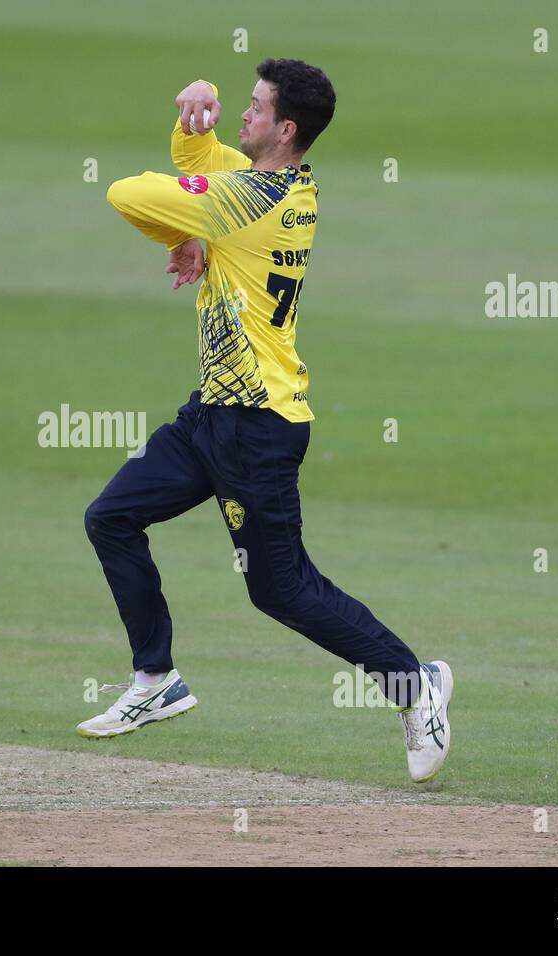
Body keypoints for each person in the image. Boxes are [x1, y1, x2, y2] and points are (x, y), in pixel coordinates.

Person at [79, 59, 453, 783]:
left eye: (254, 107)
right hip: (211, 415)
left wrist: (177, 235)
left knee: (280, 588)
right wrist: (201, 103)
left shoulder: (247, 200)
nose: (242, 115)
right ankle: (156, 681)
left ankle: (415, 683)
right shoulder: (280, 187)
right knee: (112, 516)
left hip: (258, 426)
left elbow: (127, 190)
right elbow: (197, 160)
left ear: (286, 128)